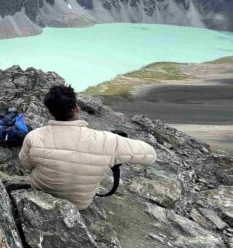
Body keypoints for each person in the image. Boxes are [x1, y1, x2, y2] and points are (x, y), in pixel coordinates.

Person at [19, 85, 157, 210]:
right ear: (76, 108)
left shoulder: (33, 136)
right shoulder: (106, 140)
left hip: (41, 192)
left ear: (51, 113)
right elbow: (151, 156)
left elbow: (25, 165)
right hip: (79, 204)